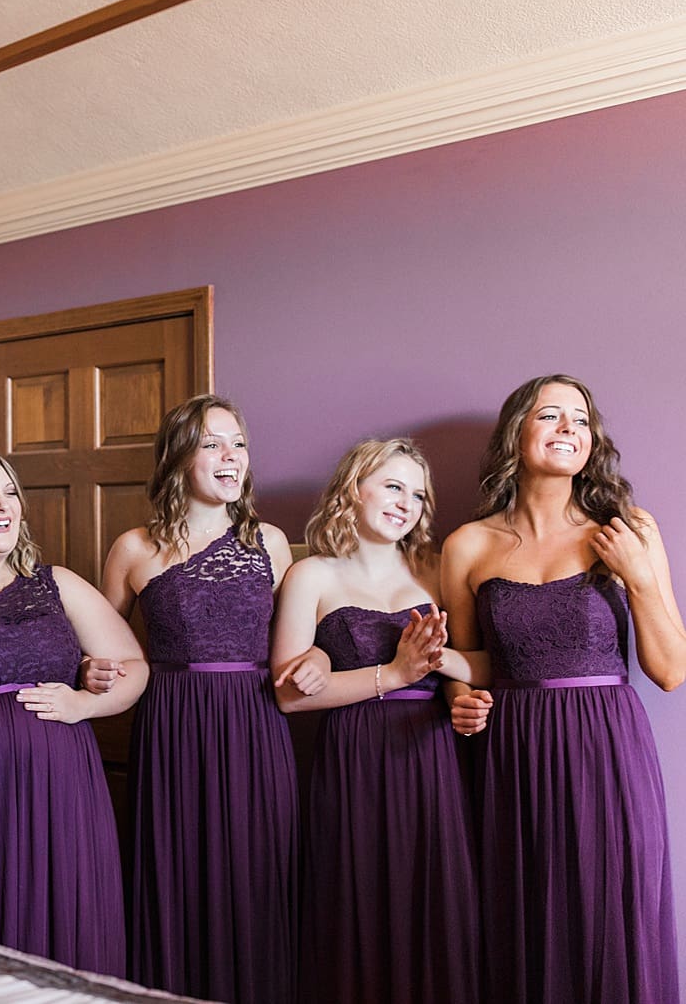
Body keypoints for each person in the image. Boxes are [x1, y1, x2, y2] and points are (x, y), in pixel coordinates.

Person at [441, 374, 681, 1003]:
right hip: (513, 754)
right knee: (523, 918)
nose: (569, 427)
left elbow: (670, 669)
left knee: (609, 914)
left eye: (580, 418)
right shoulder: (468, 544)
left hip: (607, 749)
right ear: (515, 434)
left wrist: (640, 580)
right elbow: (474, 662)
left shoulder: (629, 529)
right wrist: (457, 700)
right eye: (550, 415)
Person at [0, 448, 145, 976]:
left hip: (61, 787)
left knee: (67, 914)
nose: (3, 504)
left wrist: (85, 701)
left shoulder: (56, 583)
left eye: (10, 492)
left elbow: (134, 665)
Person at [97, 395, 296, 1002]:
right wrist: (92, 668)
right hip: (173, 725)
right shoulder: (133, 548)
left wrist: (314, 661)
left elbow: (300, 643)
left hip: (254, 721)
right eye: (212, 443)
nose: (230, 455)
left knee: (256, 870)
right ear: (178, 458)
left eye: (237, 442)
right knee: (177, 874)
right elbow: (106, 646)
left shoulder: (271, 542)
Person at [270, 438, 479, 1004]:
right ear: (353, 487)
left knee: (433, 901)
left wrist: (448, 675)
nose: (406, 503)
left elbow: (481, 661)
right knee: (353, 898)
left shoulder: (436, 571)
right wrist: (396, 672)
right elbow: (290, 698)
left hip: (431, 755)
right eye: (392, 486)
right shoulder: (310, 576)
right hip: (351, 758)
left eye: (417, 494)